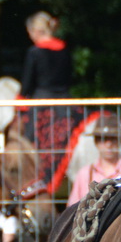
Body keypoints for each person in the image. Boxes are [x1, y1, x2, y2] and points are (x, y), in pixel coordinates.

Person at [16, 11, 76, 200]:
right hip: (65, 102)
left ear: (35, 30)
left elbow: (27, 85)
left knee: (26, 143)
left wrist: (18, 103)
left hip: (42, 103)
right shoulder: (65, 49)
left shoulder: (34, 52)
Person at [66, 118, 121, 205]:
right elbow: (73, 209)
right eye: (103, 139)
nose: (109, 144)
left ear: (120, 141)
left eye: (113, 139)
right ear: (96, 142)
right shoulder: (85, 173)